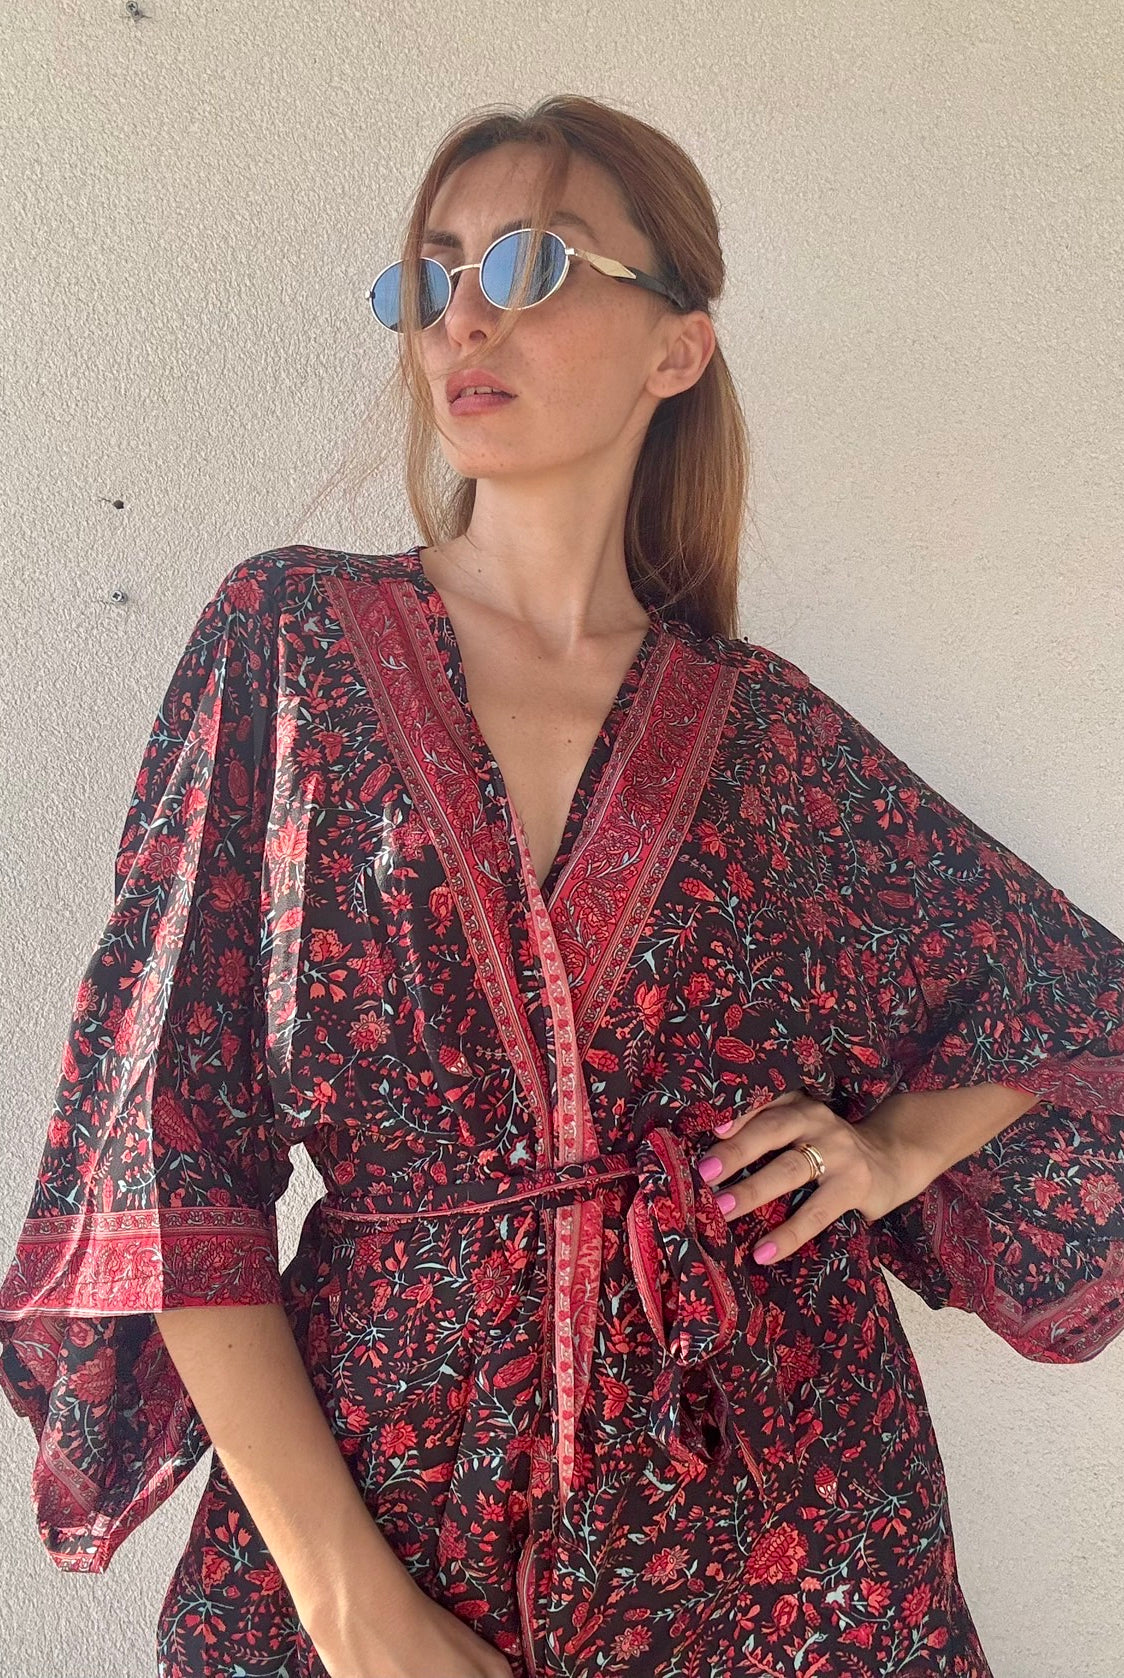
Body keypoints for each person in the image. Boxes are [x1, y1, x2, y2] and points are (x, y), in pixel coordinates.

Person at [1, 94, 1123, 1678]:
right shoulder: (290, 643)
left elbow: (1075, 1000)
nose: (461, 315)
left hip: (784, 1510)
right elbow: (164, 1144)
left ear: (678, 345)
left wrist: (891, 1148)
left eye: (529, 263)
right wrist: (351, 1605)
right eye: (429, 276)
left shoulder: (768, 735)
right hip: (388, 1507)